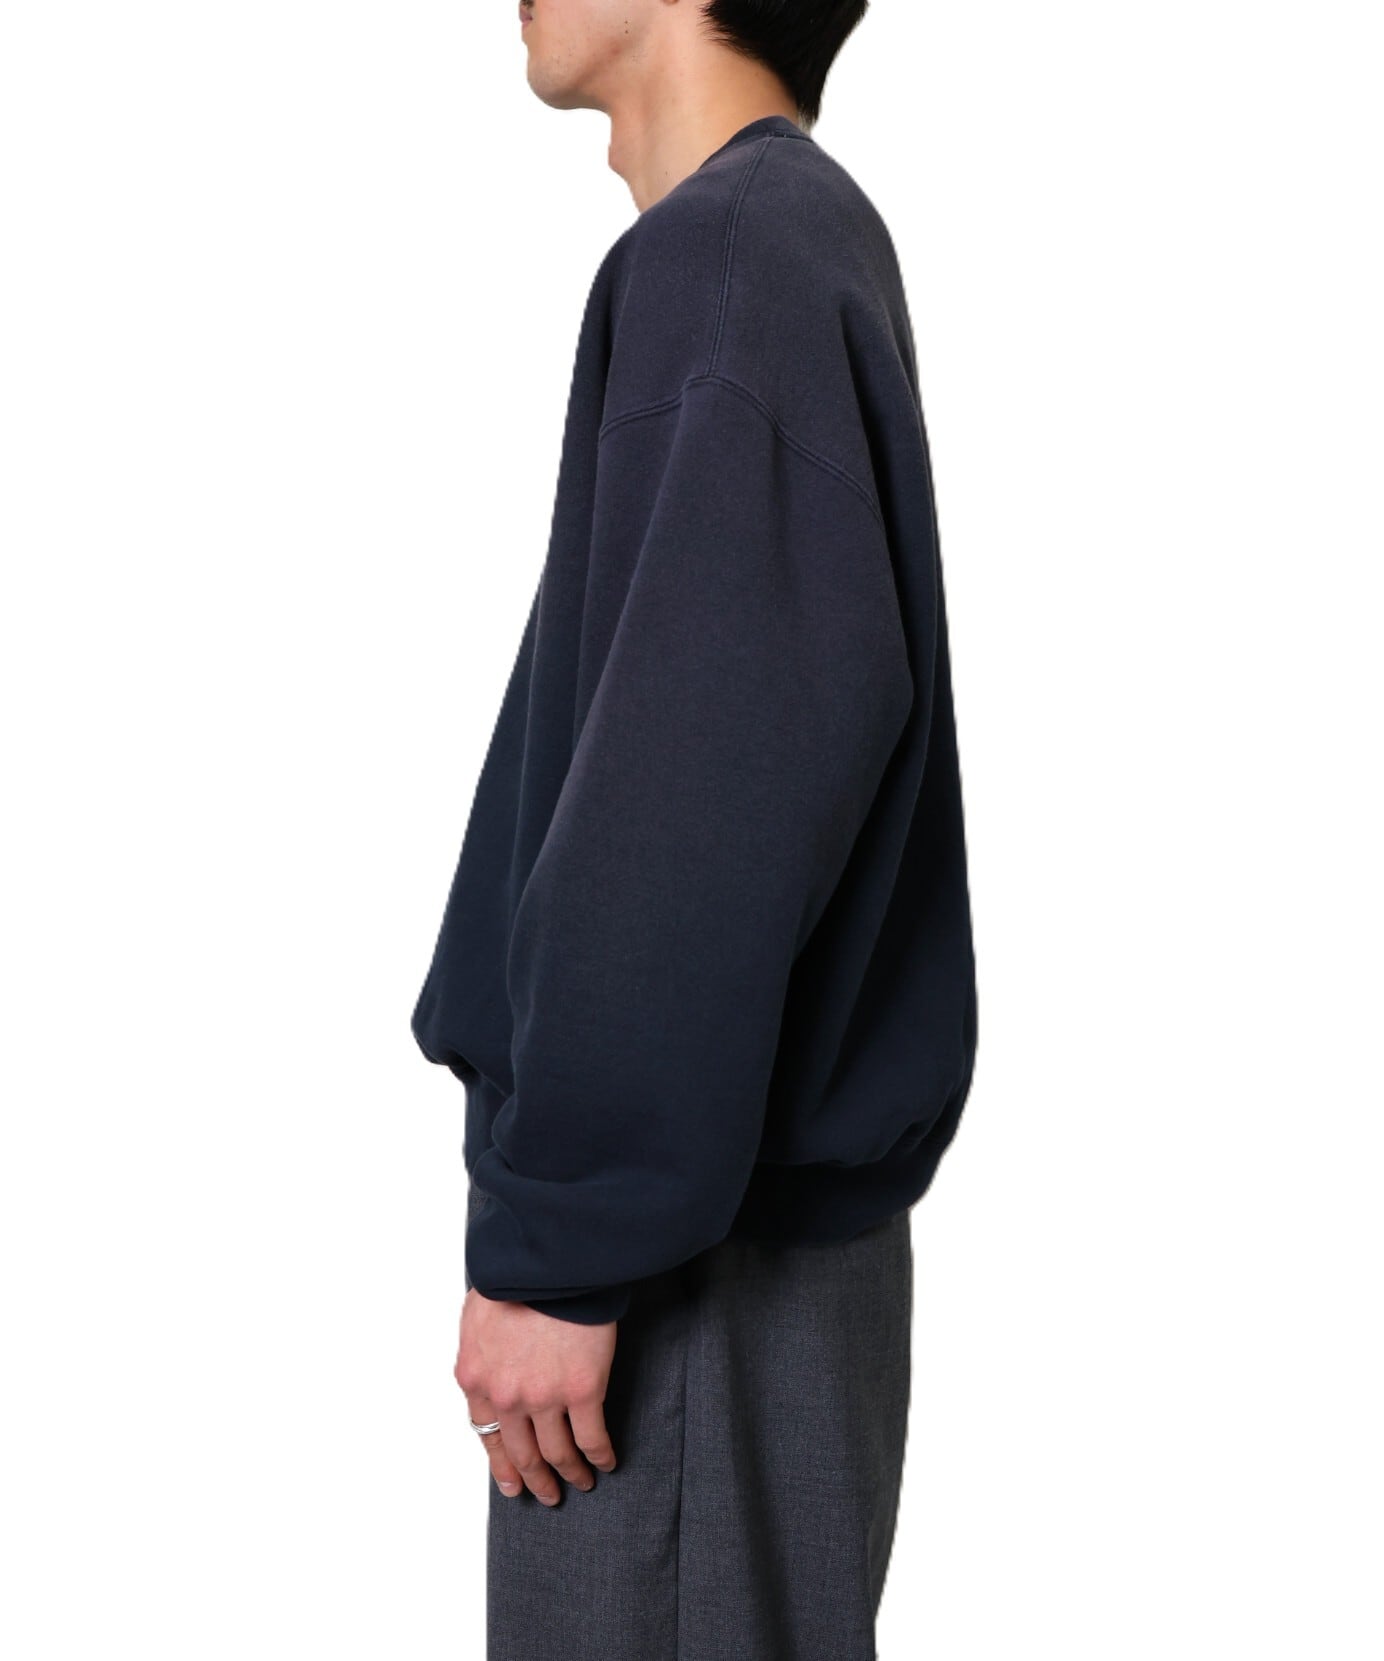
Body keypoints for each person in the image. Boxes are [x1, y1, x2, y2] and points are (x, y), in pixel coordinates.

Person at [410, 2, 978, 1654]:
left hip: (690, 1273)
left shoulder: (732, 264)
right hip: (717, 1244)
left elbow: (697, 800)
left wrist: (564, 1243)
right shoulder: (780, 246)